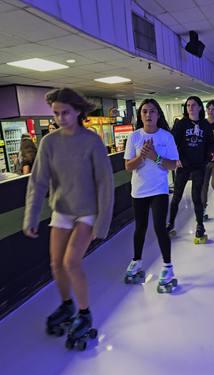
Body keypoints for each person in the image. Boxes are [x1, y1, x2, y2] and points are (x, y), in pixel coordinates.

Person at [23, 87, 114, 341]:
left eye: (65, 113)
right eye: (56, 114)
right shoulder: (48, 143)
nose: (60, 118)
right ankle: (67, 305)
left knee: (71, 262)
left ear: (78, 112)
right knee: (55, 263)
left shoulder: (92, 141)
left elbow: (104, 183)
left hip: (86, 211)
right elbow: (38, 181)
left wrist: (102, 223)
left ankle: (84, 313)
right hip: (62, 209)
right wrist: (30, 217)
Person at [124, 98, 179, 292]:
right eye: (145, 111)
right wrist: (141, 156)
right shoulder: (134, 137)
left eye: (152, 111)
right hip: (139, 190)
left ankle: (167, 267)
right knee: (140, 227)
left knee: (159, 227)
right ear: (140, 115)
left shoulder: (166, 137)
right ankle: (137, 261)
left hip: (159, 190)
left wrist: (154, 156)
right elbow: (128, 167)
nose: (148, 114)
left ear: (158, 115)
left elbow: (173, 165)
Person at [167, 96, 214, 243]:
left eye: (193, 105)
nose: (190, 107)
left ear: (200, 107)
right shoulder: (181, 124)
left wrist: (211, 153)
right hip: (183, 166)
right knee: (176, 197)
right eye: (188, 105)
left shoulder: (205, 125)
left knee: (196, 197)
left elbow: (211, 143)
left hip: (199, 165)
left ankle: (200, 225)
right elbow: (172, 143)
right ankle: (171, 223)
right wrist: (176, 158)